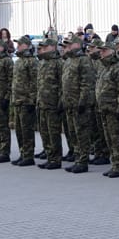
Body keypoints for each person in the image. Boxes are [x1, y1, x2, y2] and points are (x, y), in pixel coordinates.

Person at [62, 34, 96, 174]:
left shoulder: (84, 60)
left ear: (77, 44)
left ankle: (83, 160)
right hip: (69, 103)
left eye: (70, 44)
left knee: (81, 132)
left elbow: (87, 83)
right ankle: (77, 158)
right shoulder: (69, 60)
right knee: (72, 133)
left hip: (79, 104)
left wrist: (83, 101)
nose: (68, 46)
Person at [94, 41, 119, 178]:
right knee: (109, 138)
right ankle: (114, 163)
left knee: (117, 138)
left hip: (115, 109)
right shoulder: (104, 68)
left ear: (112, 51)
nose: (101, 53)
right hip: (104, 108)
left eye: (104, 50)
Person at [35, 38, 65, 171]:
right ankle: (49, 156)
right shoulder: (42, 63)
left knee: (53, 132)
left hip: (53, 103)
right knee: (44, 132)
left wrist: (60, 101)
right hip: (43, 102)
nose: (43, 49)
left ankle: (56, 158)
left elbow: (62, 84)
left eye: (45, 47)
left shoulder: (58, 63)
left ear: (52, 47)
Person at [10, 35, 39, 167]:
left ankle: (28, 155)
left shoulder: (31, 61)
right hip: (18, 100)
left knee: (27, 130)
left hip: (27, 101)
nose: (18, 46)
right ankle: (23, 153)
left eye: (20, 44)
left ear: (26, 46)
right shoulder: (19, 61)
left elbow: (34, 82)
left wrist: (32, 100)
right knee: (19, 129)